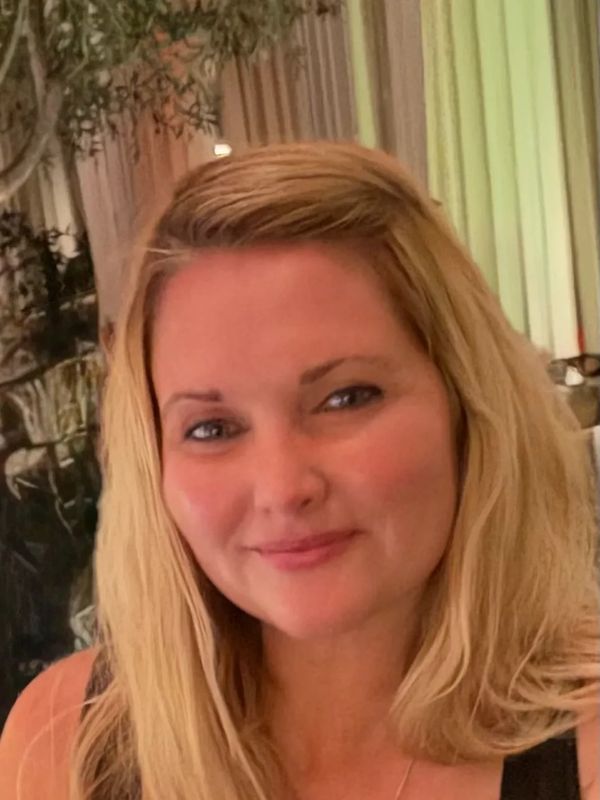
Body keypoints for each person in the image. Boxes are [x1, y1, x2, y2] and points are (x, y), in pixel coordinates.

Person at [1, 141, 599, 800]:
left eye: (346, 398)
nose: (283, 488)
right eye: (211, 429)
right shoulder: (60, 744)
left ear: (467, 405)